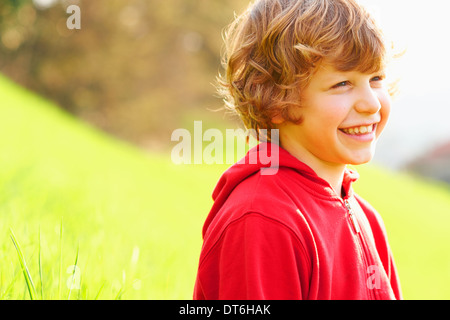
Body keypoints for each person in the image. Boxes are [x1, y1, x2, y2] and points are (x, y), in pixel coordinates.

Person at [194, 0, 402, 300]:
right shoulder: (261, 219)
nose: (370, 103)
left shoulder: (367, 219)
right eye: (342, 83)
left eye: (376, 79)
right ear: (276, 99)